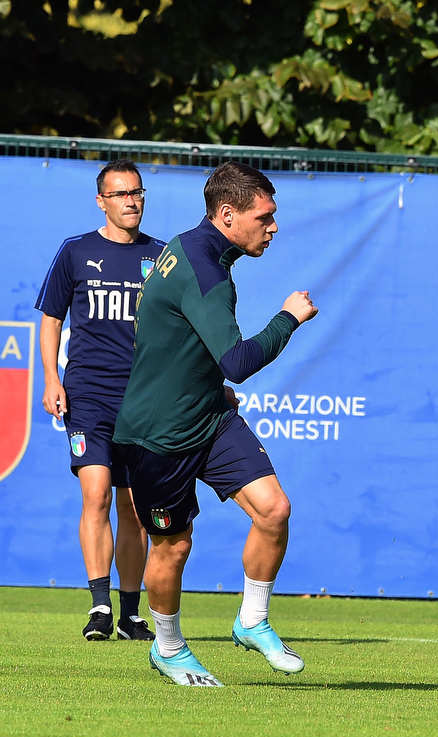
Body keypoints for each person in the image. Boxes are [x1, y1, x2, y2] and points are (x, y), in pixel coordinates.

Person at [112, 161, 317, 687]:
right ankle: (170, 647)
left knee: (274, 509)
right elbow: (238, 363)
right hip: (159, 434)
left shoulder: (196, 249)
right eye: (264, 217)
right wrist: (288, 318)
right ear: (228, 215)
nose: (273, 228)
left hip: (209, 416)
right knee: (173, 546)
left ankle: (252, 619)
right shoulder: (205, 270)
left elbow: (181, 338)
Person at [35, 159, 164, 642]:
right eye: (121, 194)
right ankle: (99, 607)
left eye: (138, 192)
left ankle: (131, 614)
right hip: (89, 393)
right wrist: (52, 378)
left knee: (134, 509)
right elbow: (50, 318)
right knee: (95, 494)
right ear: (101, 202)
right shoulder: (76, 252)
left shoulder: (161, 255)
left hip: (144, 399)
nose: (132, 201)